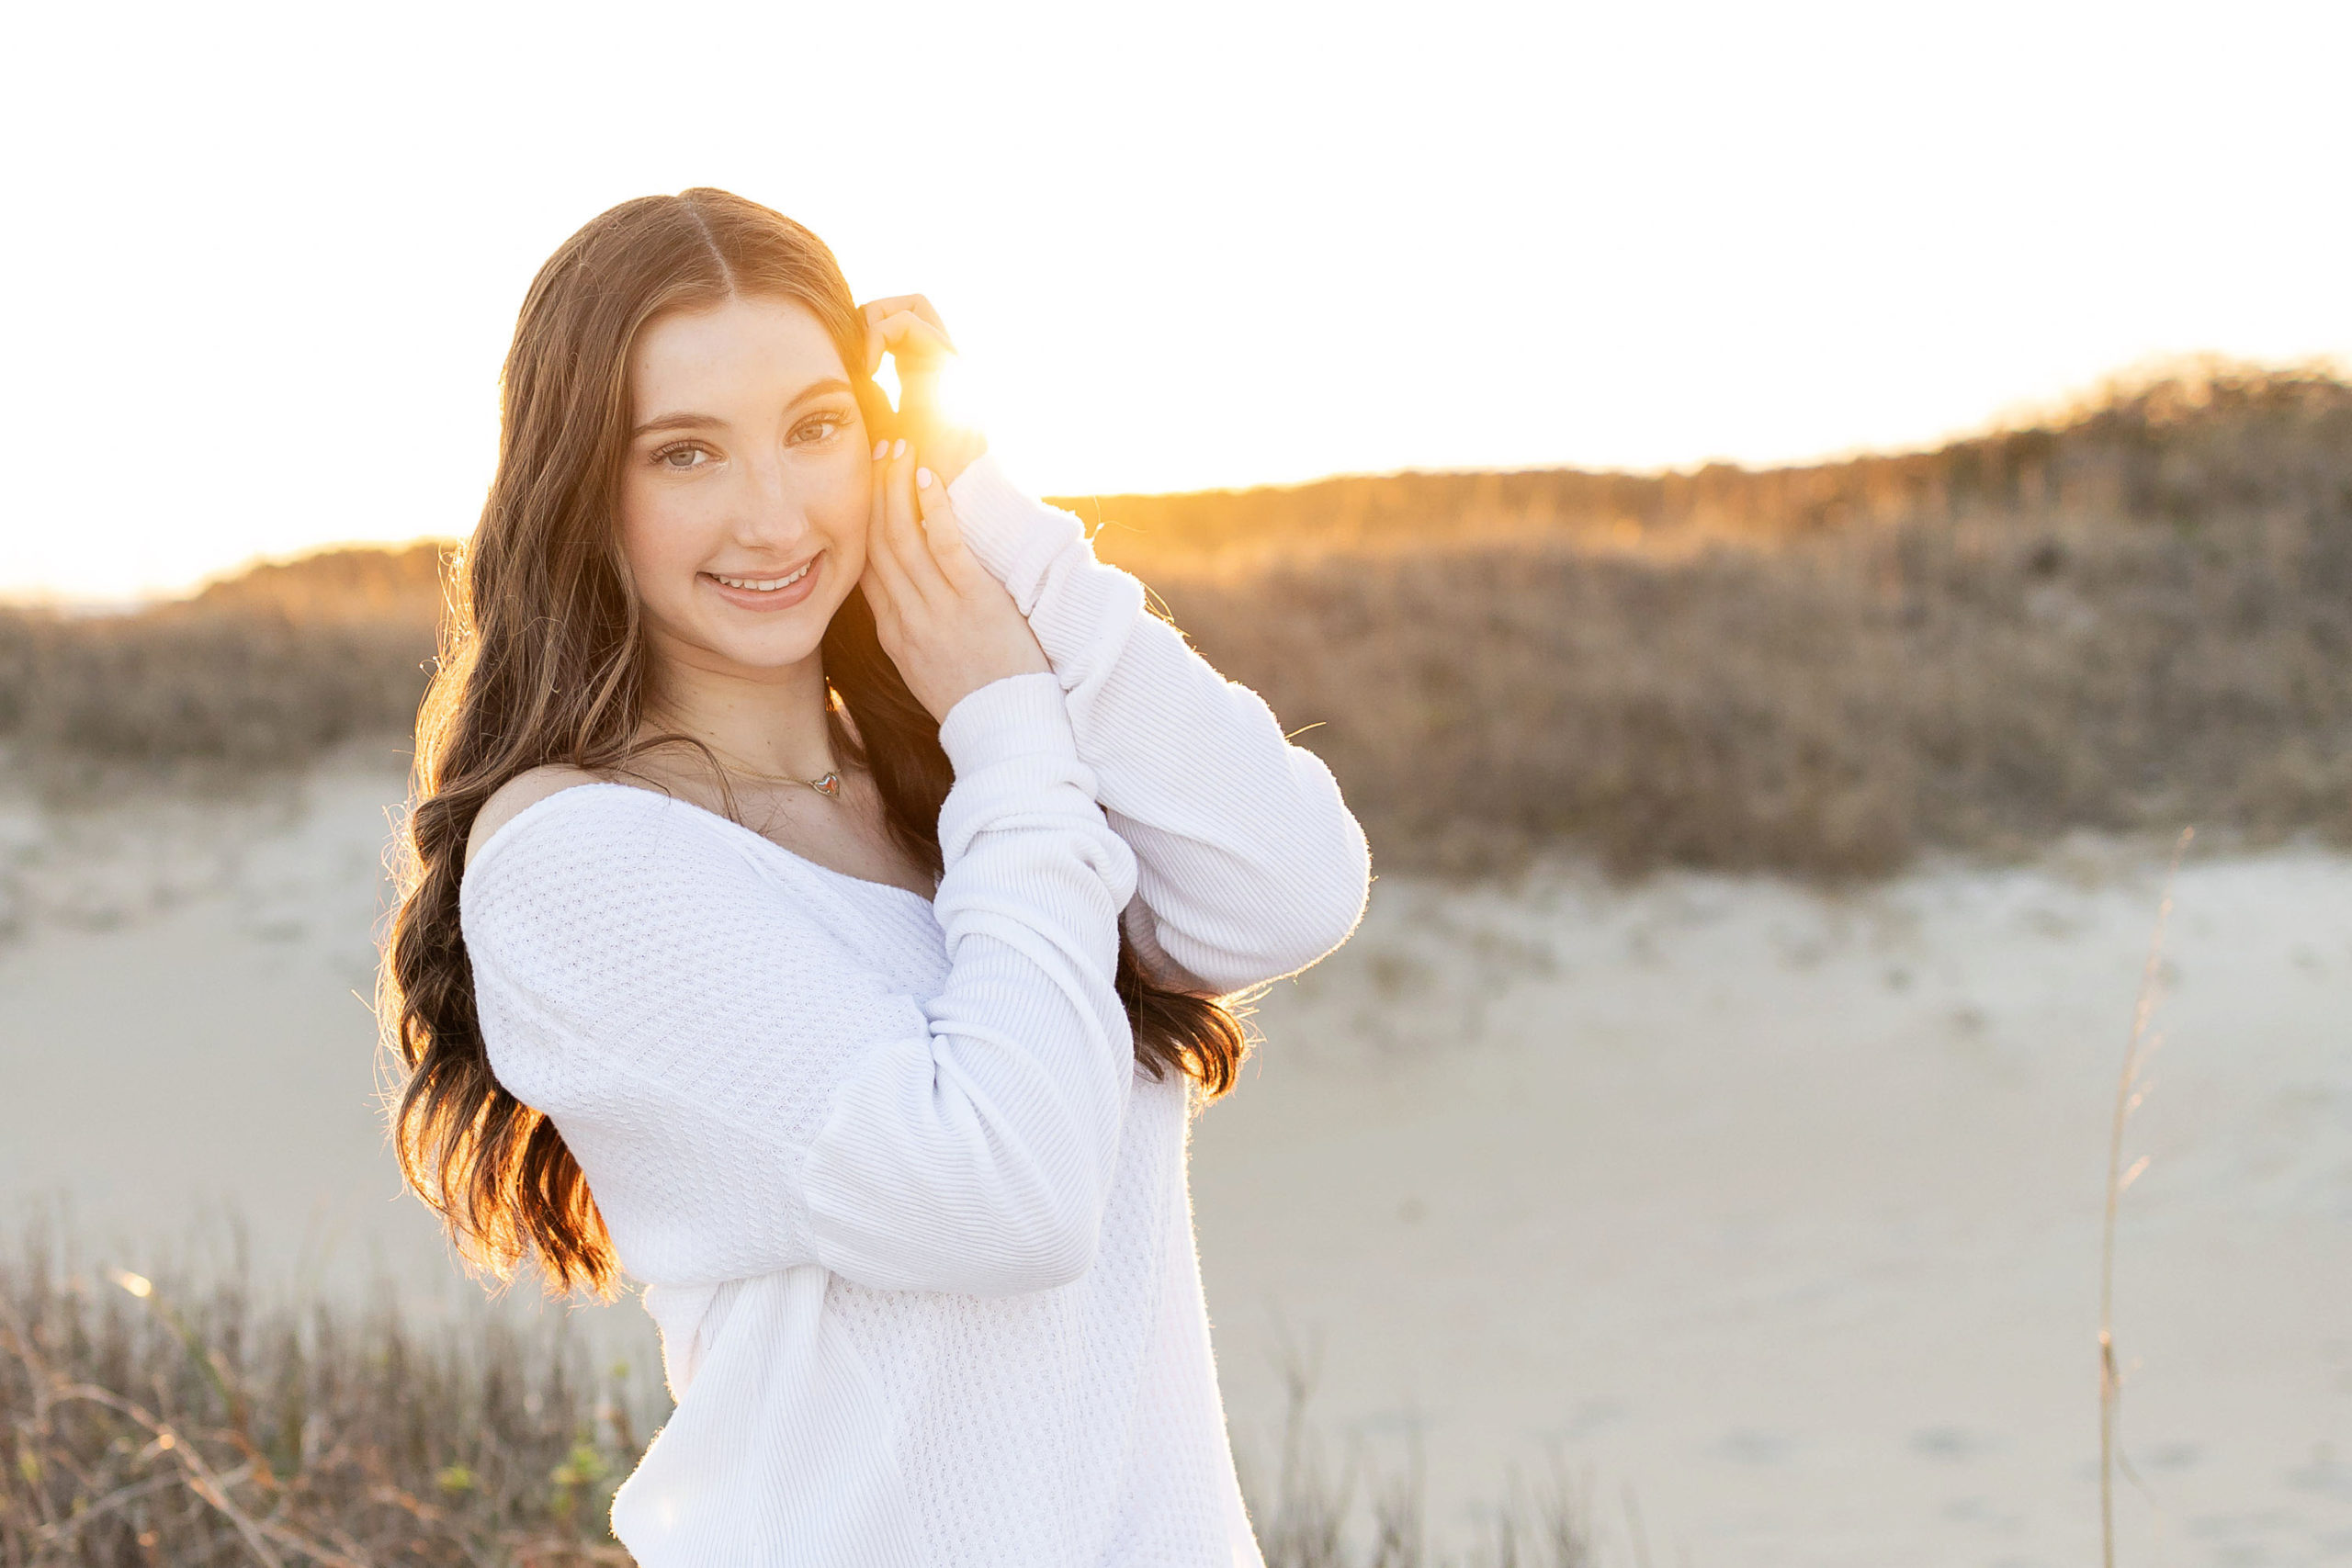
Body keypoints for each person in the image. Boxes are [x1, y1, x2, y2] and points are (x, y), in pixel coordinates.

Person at [379, 186, 1371, 1564]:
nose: (773, 515)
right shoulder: (577, 858)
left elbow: (1292, 883)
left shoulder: (953, 786)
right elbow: (1002, 1198)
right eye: (684, 454)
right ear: (582, 488)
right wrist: (1013, 722)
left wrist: (987, 520)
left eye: (816, 427)